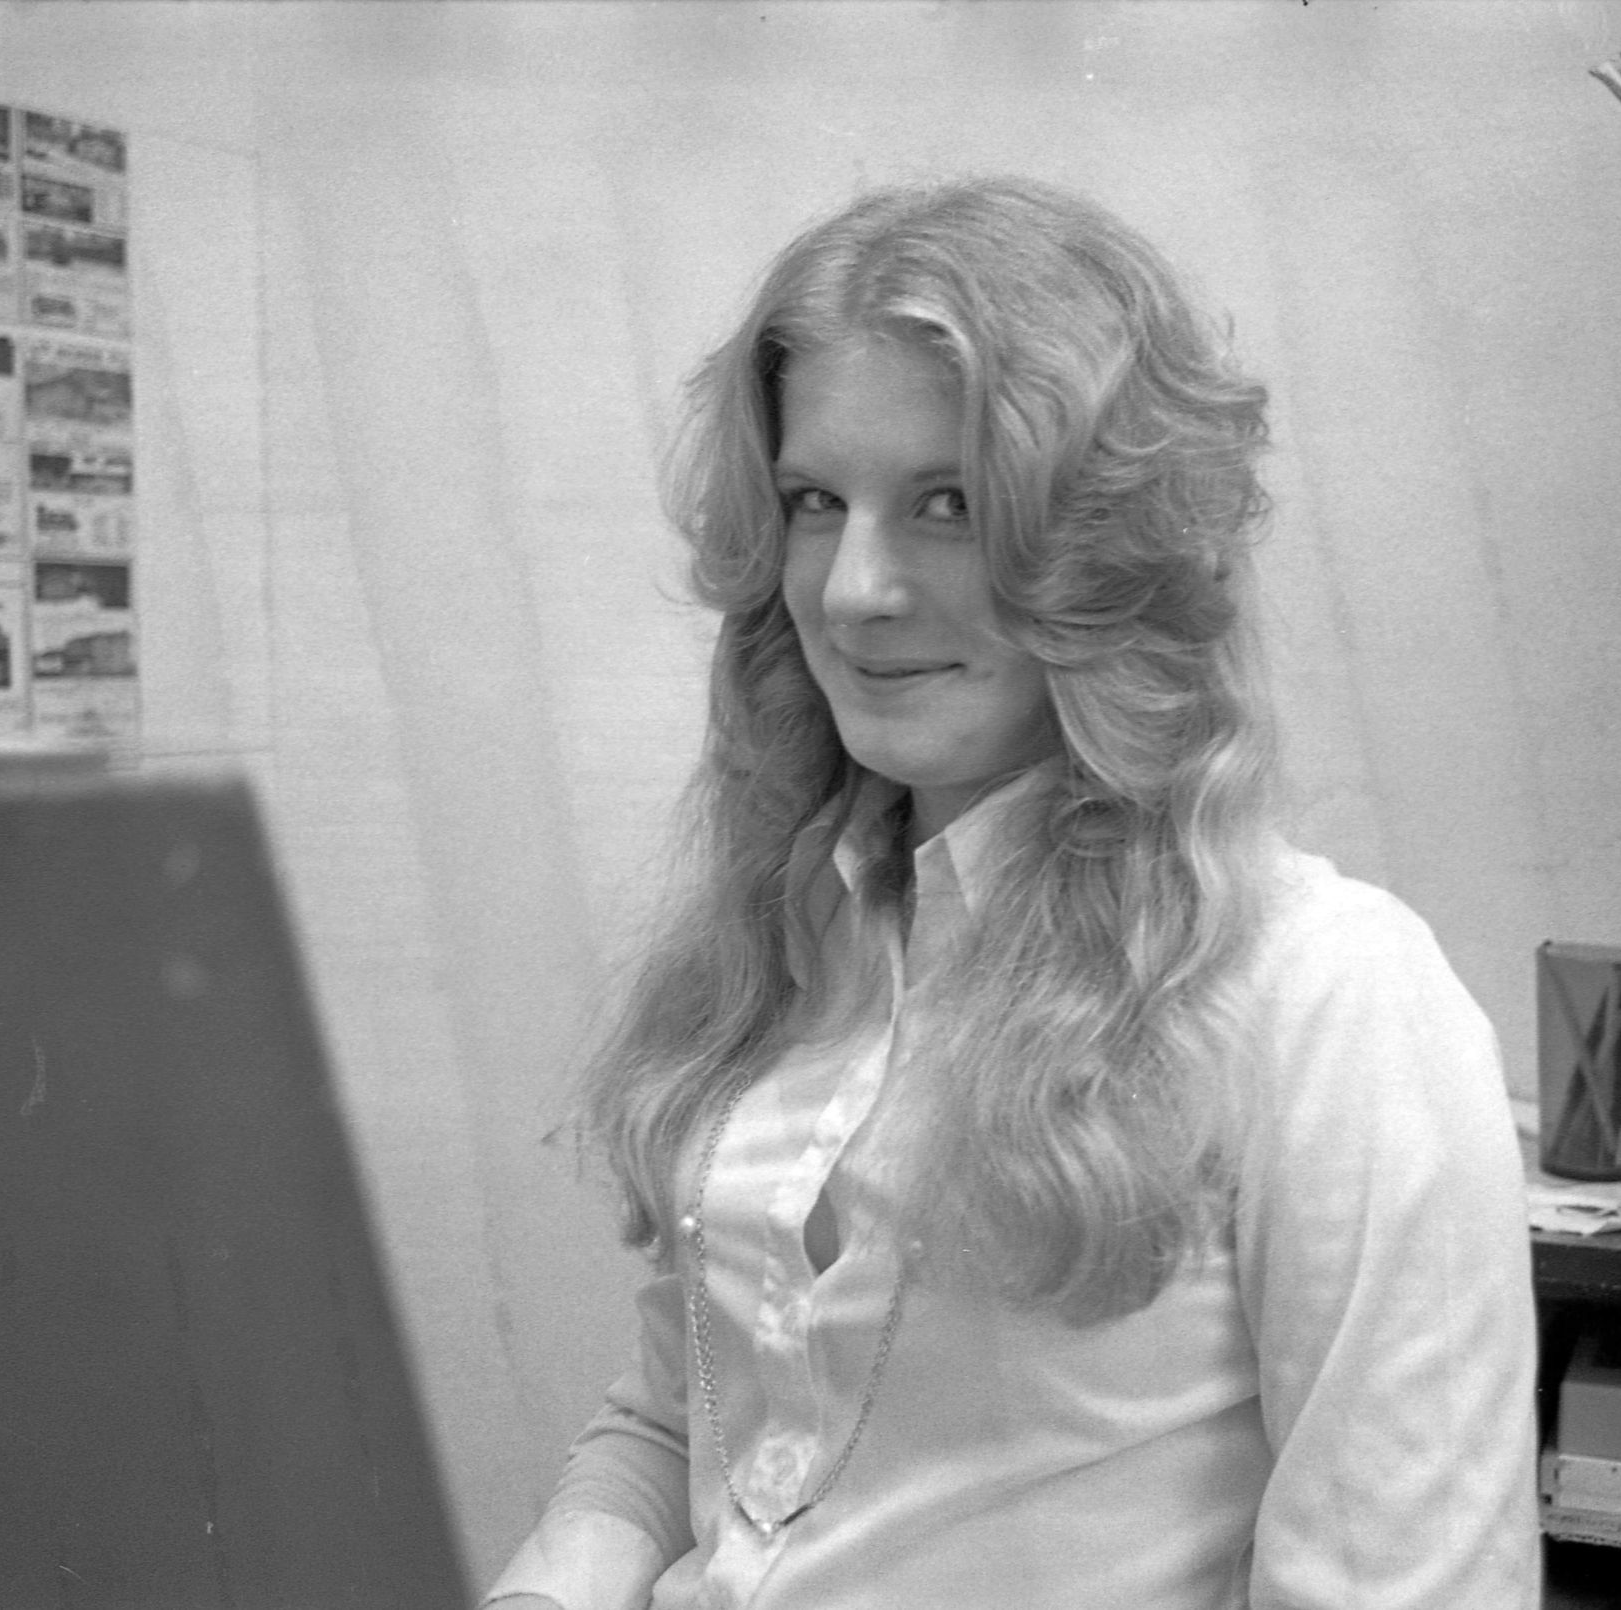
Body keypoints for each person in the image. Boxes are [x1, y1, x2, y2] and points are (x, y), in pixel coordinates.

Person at [484, 176, 1538, 1610]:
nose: (854, 589)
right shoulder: (790, 940)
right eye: (814, 502)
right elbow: (689, 1424)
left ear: (1108, 544)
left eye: (950, 504)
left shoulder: (1327, 999)